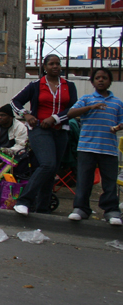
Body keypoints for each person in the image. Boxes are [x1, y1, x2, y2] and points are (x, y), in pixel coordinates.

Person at [10, 54, 78, 215]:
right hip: (39, 129)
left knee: (52, 170)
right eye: (51, 64)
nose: (55, 66)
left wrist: (55, 118)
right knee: (47, 164)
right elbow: (15, 101)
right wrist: (26, 114)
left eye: (57, 64)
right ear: (45, 67)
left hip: (61, 131)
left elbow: (74, 108)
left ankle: (42, 209)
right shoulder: (36, 85)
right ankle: (24, 201)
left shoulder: (69, 85)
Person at [66, 67, 123, 226]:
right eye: (97, 78)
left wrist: (118, 127)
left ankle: (111, 211)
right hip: (86, 147)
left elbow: (121, 121)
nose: (101, 80)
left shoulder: (117, 103)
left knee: (109, 182)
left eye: (104, 78)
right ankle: (81, 208)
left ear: (110, 81)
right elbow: (70, 113)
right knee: (84, 180)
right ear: (92, 82)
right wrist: (90, 107)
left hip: (109, 149)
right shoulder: (86, 99)